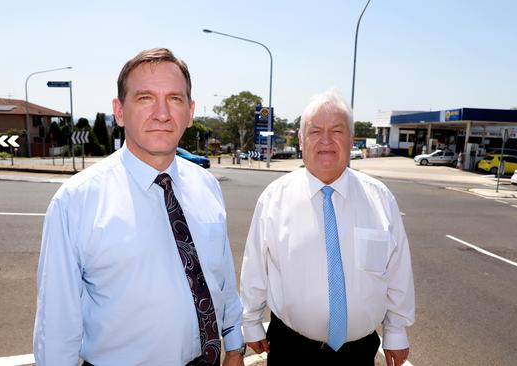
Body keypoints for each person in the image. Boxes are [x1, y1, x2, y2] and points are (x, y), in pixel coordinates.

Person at [33, 48, 245, 366]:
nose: (162, 113)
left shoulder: (207, 186)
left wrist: (234, 346)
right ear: (119, 111)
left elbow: (222, 276)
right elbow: (57, 322)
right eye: (145, 98)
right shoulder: (76, 201)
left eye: (174, 99)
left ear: (190, 111)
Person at [240, 90, 415, 366]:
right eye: (314, 131)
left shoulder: (380, 199)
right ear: (300, 139)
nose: (325, 141)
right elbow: (255, 268)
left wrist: (396, 331)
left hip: (358, 353)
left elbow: (397, 271)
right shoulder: (274, 198)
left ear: (351, 140)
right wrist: (250, 321)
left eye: (337, 131)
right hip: (290, 350)